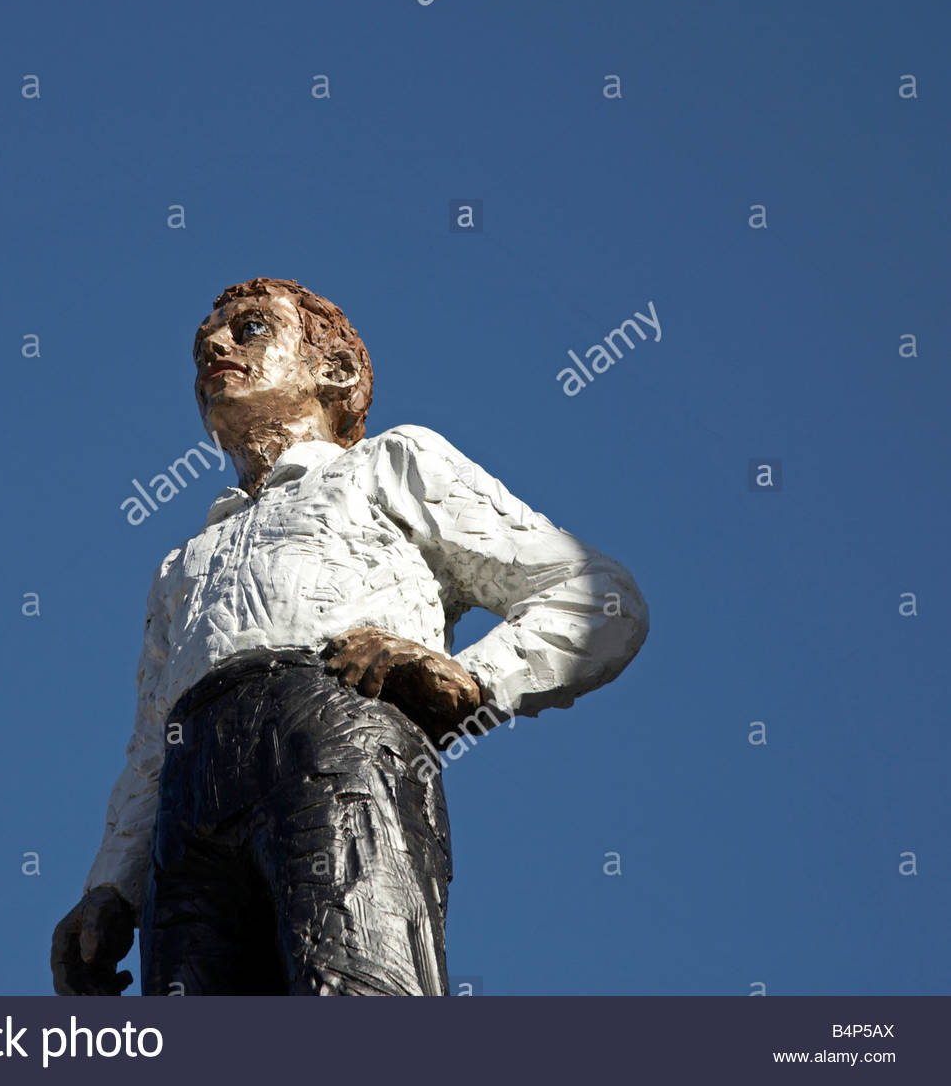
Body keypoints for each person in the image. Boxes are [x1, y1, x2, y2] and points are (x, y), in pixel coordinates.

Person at [51, 277, 648, 995]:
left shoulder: (393, 464)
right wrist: (111, 887)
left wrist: (474, 678)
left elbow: (597, 596)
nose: (213, 346)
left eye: (249, 330)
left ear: (335, 371)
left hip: (339, 744)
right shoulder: (183, 562)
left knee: (359, 992)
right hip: (191, 794)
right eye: (204, 342)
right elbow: (152, 743)